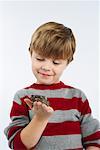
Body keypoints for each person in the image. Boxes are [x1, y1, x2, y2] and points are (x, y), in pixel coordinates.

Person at [4, 22, 100, 150]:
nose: (46, 67)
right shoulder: (23, 97)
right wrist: (40, 119)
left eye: (56, 62)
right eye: (39, 59)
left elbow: (93, 139)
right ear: (30, 53)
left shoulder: (77, 97)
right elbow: (18, 145)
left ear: (67, 62)